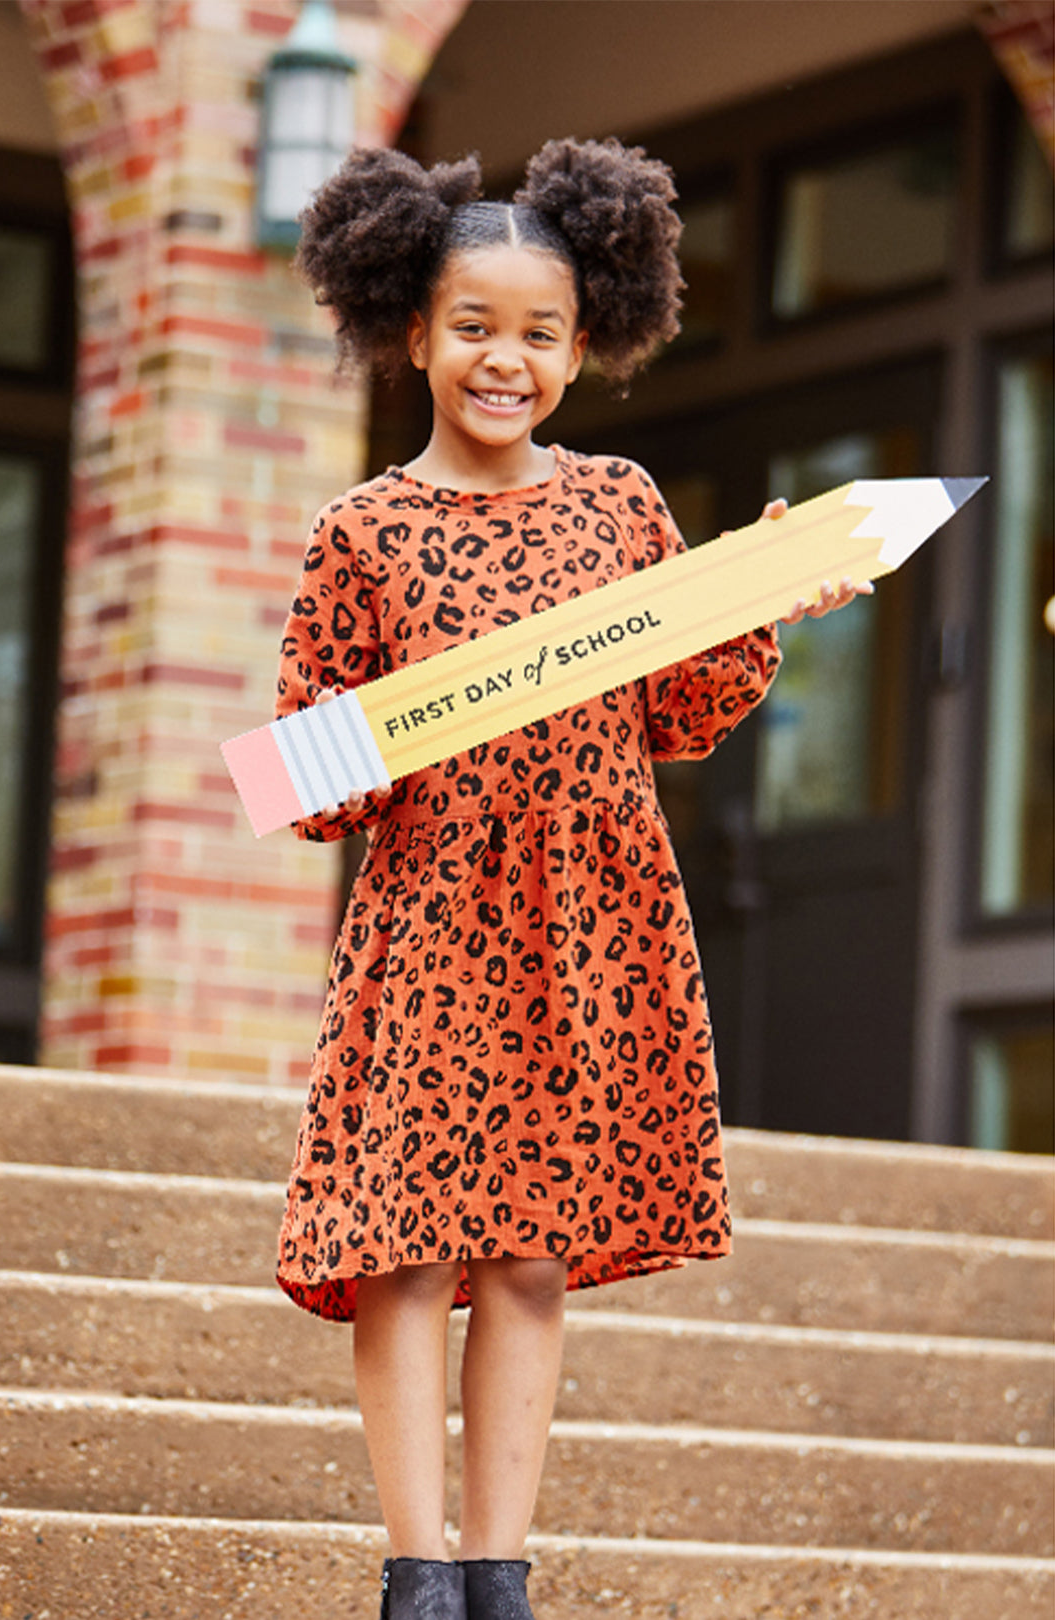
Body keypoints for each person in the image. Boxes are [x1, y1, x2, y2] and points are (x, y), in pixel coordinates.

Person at [272, 137, 870, 1620]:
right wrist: (366, 740)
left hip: (593, 919)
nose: (507, 359)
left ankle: (500, 1575)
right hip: (433, 924)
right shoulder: (360, 533)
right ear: (413, 329)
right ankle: (419, 1573)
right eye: (474, 325)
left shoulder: (619, 506)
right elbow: (314, 773)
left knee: (531, 1258)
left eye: (542, 333)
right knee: (409, 1255)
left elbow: (680, 709)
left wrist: (758, 600)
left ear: (586, 341)